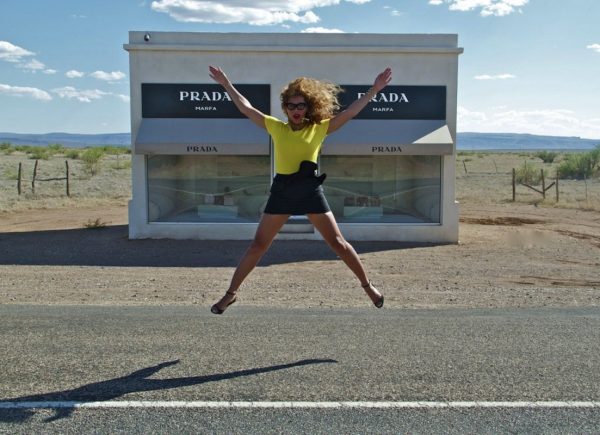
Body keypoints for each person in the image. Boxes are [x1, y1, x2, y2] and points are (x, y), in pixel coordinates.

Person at [208, 65, 392, 314]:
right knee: (257, 246)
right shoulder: (276, 127)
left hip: (309, 191)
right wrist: (226, 84)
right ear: (285, 108)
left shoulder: (319, 129)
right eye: (292, 106)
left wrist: (375, 90)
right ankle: (230, 295)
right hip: (282, 191)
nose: (296, 110)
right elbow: (246, 108)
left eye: (301, 105)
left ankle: (368, 287)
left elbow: (350, 113)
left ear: (309, 107)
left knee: (338, 243)